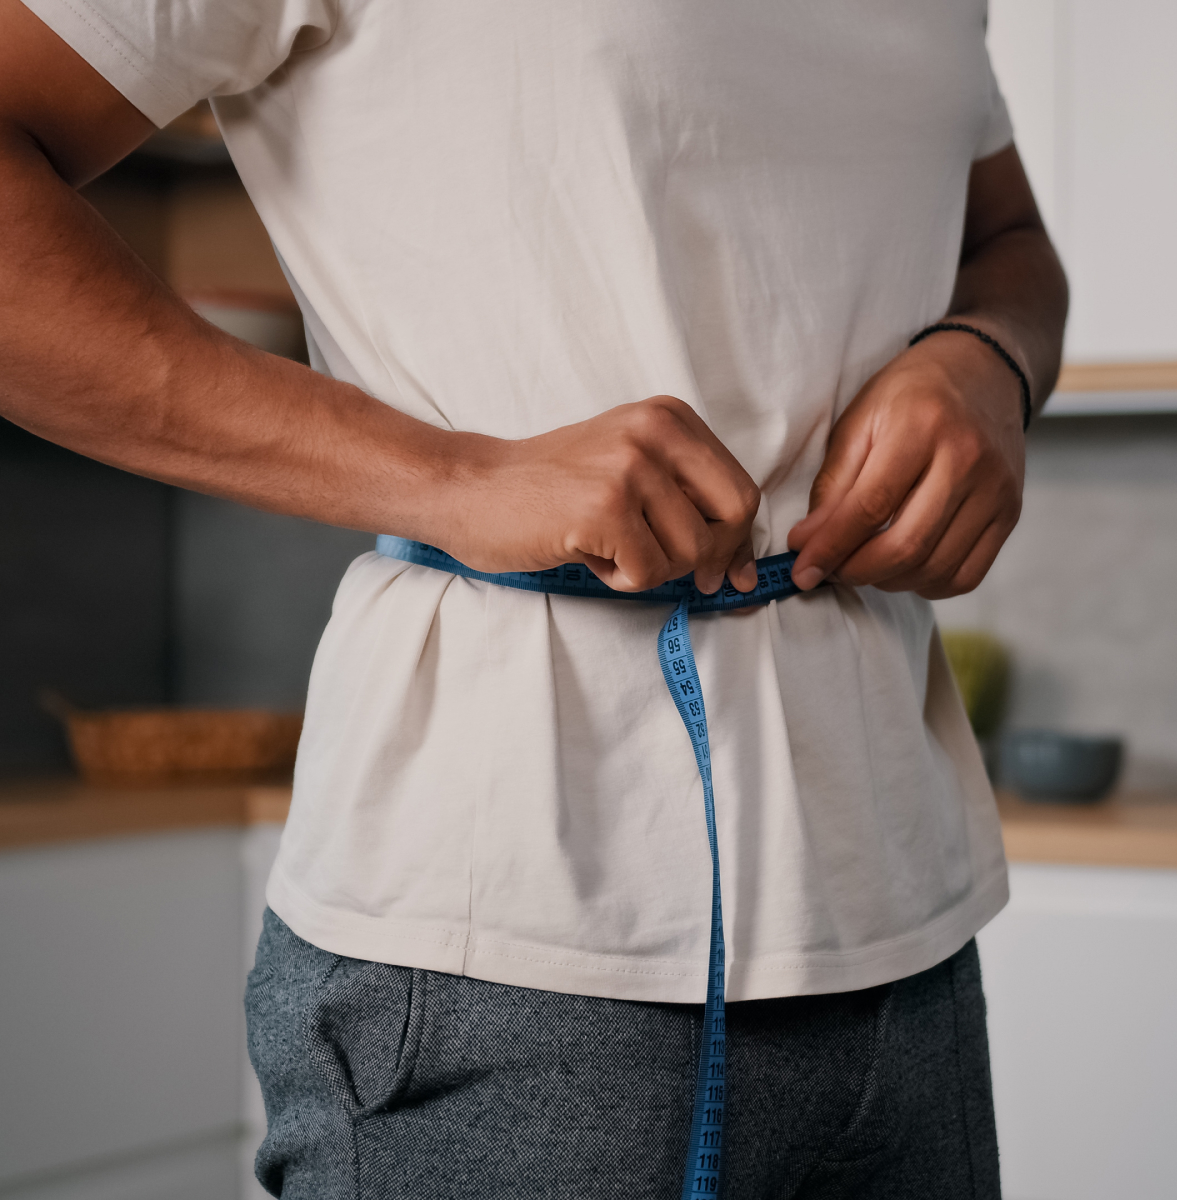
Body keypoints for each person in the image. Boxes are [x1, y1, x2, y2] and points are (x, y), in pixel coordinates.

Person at [0, 0, 1067, 1194]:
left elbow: (1009, 236)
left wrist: (990, 356)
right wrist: (450, 478)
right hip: (505, 953)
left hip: (903, 920)